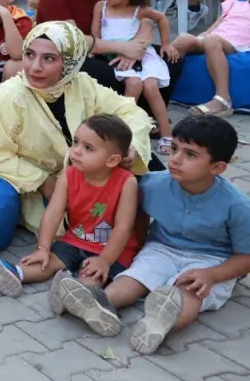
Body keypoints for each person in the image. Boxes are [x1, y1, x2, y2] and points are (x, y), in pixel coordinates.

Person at [52, 115, 250, 355]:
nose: (175, 159)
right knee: (134, 277)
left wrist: (212, 275)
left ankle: (159, 324)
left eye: (190, 154)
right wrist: (137, 249)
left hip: (212, 261)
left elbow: (246, 258)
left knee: (189, 292)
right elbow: (137, 214)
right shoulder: (153, 184)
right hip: (161, 249)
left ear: (217, 167)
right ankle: (97, 303)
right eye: (174, 148)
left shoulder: (237, 205)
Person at [0, 21, 152, 232]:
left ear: (69, 62)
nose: (34, 67)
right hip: (45, 187)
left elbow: (130, 112)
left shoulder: (79, 84)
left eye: (49, 58)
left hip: (92, 171)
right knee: (89, 230)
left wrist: (131, 147)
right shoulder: (9, 98)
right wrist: (42, 181)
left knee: (145, 174)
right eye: (29, 54)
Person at [0, 114, 141, 298]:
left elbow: (123, 227)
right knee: (49, 261)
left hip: (113, 250)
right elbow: (53, 213)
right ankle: (15, 273)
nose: (76, 151)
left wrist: (105, 260)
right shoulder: (68, 175)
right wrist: (43, 248)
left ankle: (77, 295)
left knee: (93, 275)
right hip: (76, 240)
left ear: (112, 160)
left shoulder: (126, 182)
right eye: (76, 142)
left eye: (88, 148)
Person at [94, 0, 175, 150]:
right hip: (116, 56)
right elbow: (95, 34)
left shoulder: (140, 10)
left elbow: (161, 18)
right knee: (134, 84)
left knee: (151, 86)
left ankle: (166, 134)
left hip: (142, 55)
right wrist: (94, 50)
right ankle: (122, 133)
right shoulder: (101, 7)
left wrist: (166, 43)